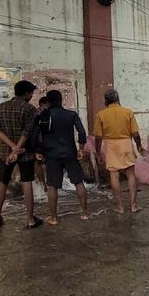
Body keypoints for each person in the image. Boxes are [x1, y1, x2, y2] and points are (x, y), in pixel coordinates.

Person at [0, 80, 41, 229]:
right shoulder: (29, 109)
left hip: (5, 153)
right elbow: (27, 132)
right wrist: (17, 148)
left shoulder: (0, 108)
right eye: (31, 93)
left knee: (2, 182)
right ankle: (30, 219)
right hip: (24, 153)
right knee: (27, 182)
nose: (31, 96)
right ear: (26, 93)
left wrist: (12, 148)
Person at [34, 90, 89, 224]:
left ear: (48, 102)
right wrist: (81, 149)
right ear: (61, 100)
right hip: (70, 152)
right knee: (78, 182)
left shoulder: (44, 115)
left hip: (51, 154)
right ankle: (85, 213)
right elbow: (82, 132)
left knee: (52, 186)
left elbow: (36, 134)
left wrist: (38, 151)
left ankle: (53, 217)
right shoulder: (71, 114)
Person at [93, 89, 144, 214]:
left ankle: (120, 207)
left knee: (114, 176)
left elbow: (98, 137)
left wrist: (98, 152)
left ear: (106, 101)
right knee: (131, 175)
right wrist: (138, 145)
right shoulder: (128, 112)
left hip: (110, 146)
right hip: (126, 144)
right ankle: (133, 205)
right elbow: (135, 133)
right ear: (118, 99)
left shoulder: (101, 114)